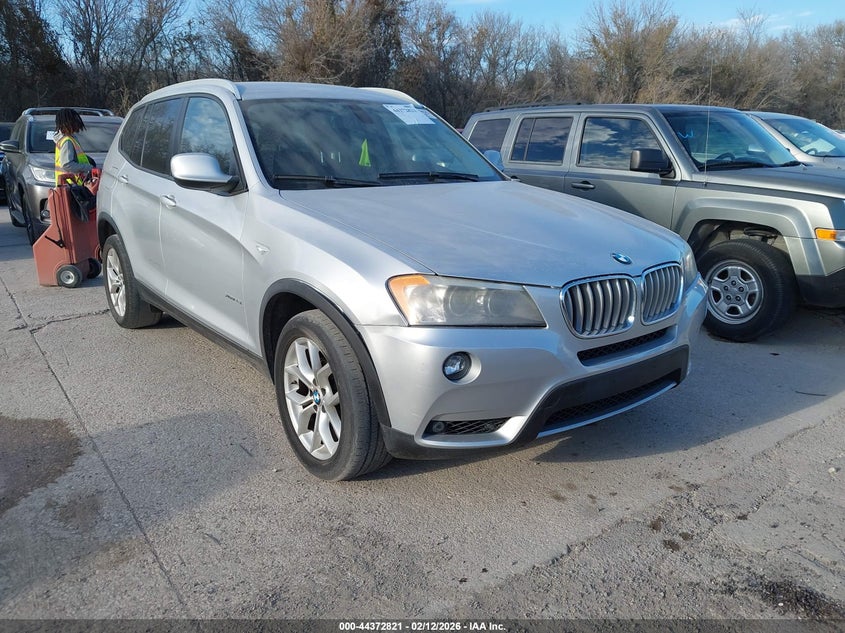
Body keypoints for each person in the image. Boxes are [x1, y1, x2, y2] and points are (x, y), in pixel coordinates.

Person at [54, 108, 94, 186]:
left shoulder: (66, 139)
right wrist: (88, 167)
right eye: (76, 121)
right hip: (71, 185)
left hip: (67, 185)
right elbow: (67, 164)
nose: (78, 123)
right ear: (69, 123)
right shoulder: (67, 141)